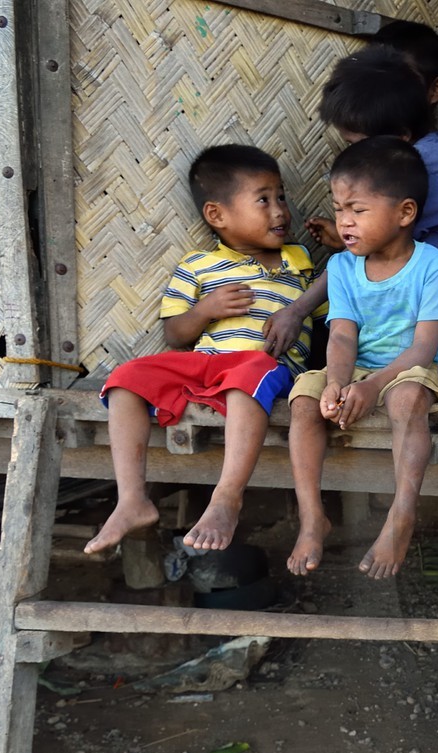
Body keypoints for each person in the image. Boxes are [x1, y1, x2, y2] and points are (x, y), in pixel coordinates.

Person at [84, 144, 321, 555]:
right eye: (263, 199)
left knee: (249, 374)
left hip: (267, 368)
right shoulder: (197, 265)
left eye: (281, 196)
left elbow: (340, 300)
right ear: (217, 215)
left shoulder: (299, 261)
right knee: (125, 379)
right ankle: (131, 499)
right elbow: (175, 334)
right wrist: (206, 310)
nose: (280, 210)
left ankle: (226, 496)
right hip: (206, 362)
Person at [273, 43, 438, 409]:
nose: (353, 156)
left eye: (356, 144)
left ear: (401, 138)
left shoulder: (423, 166)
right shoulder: (412, 158)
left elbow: (365, 252)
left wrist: (298, 310)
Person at [285, 136, 438, 579]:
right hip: (357, 368)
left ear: (404, 213)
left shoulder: (433, 266)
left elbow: (423, 348)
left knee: (406, 402)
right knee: (304, 402)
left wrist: (374, 384)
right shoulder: (342, 267)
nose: (344, 222)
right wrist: (337, 384)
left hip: (407, 368)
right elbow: (341, 334)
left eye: (357, 210)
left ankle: (401, 514)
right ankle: (312, 518)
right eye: (340, 209)